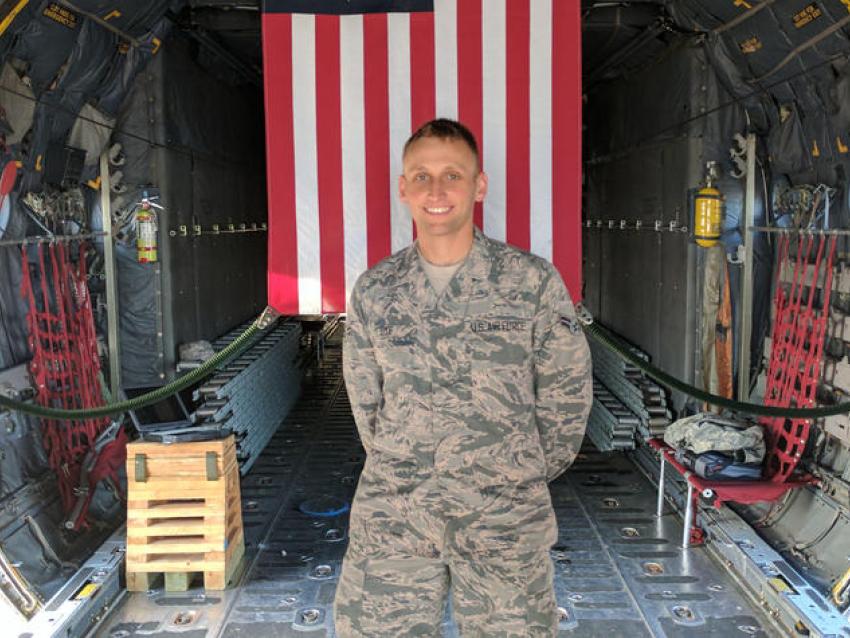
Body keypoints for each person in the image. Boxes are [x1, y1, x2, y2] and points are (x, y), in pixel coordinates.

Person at [334, 118, 592, 637]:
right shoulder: (376, 291)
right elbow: (367, 405)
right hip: (397, 517)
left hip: (504, 521)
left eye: (452, 175)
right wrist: (410, 463)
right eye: (422, 176)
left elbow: (566, 396)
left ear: (479, 186)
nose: (436, 191)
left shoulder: (530, 282)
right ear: (403, 188)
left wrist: (515, 471)